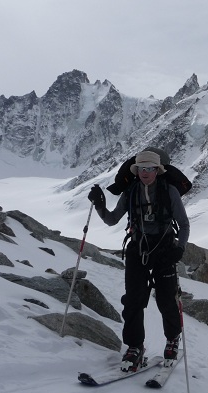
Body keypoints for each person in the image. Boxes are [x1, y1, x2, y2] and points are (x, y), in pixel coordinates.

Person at [87, 150, 190, 372]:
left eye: (150, 169)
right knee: (133, 300)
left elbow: (184, 224)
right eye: (141, 168)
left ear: (157, 170)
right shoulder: (131, 192)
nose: (145, 173)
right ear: (137, 171)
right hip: (138, 249)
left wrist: (179, 249)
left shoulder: (169, 191)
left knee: (166, 300)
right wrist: (99, 206)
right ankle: (135, 346)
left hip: (164, 250)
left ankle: (172, 339)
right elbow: (112, 219)